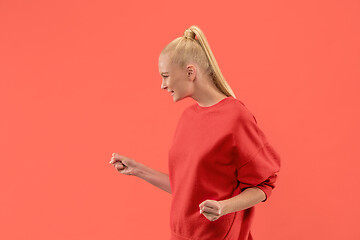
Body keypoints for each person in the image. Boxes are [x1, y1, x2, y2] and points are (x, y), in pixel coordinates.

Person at [109, 25, 281, 240]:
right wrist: (137, 169)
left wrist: (224, 207)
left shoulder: (236, 116)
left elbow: (264, 185)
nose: (163, 85)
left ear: (190, 72)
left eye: (165, 76)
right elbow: (185, 190)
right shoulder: (187, 118)